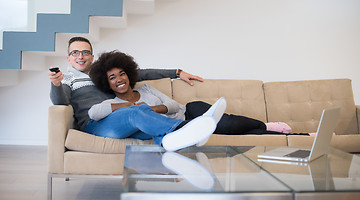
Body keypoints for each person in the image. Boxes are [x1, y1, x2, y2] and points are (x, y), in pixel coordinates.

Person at [88, 51, 295, 146]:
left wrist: (151, 108)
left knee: (230, 123)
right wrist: (130, 107)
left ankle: (266, 125)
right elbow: (94, 113)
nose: (119, 80)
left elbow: (172, 105)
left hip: (188, 111)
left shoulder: (148, 89)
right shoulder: (111, 105)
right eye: (112, 78)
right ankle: (287, 134)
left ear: (129, 74)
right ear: (107, 84)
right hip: (185, 124)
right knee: (229, 132)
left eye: (122, 74)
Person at [48, 36, 203, 132]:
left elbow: (143, 73)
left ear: (92, 56)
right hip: (95, 123)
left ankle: (187, 130)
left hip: (120, 117)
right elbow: (61, 102)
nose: (80, 56)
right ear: (69, 58)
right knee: (136, 110)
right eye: (75, 52)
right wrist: (56, 84)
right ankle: (189, 127)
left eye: (85, 52)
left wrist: (177, 72)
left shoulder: (105, 74)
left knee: (142, 117)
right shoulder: (67, 79)